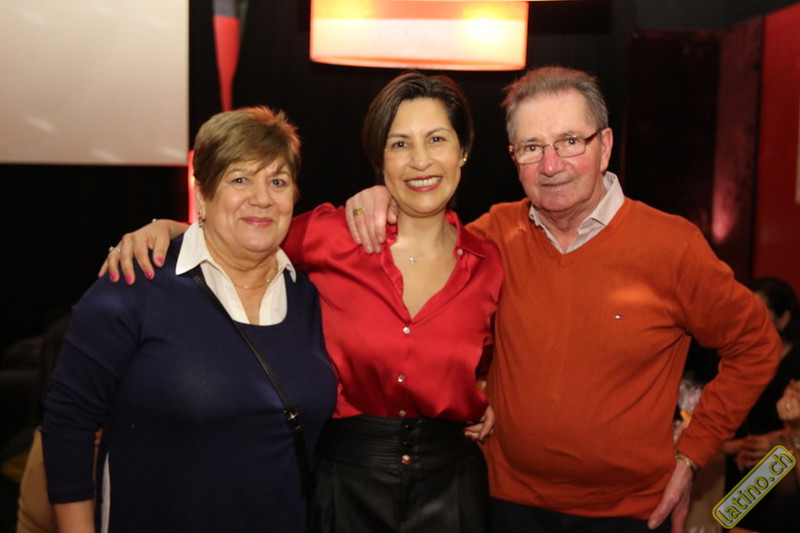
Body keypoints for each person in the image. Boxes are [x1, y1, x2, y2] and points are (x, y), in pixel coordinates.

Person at [341, 66, 782, 532]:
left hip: (628, 515)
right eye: (532, 148)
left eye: (570, 141)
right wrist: (381, 200)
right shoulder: (492, 237)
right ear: (514, 158)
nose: (550, 166)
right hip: (502, 502)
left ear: (604, 146)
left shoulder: (673, 248)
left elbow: (756, 346)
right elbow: (422, 287)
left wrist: (693, 453)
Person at [100, 72, 503, 532]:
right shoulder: (331, 235)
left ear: (463, 149)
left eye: (437, 139)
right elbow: (242, 230)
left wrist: (489, 396)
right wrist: (167, 228)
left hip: (451, 488)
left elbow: (498, 358)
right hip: (344, 486)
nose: (420, 160)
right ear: (380, 159)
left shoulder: (490, 263)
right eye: (399, 144)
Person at [41, 106, 338, 532]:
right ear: (202, 195)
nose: (262, 198)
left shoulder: (311, 295)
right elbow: (68, 421)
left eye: (278, 181)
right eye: (240, 180)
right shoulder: (136, 283)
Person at [721, 276, 800, 532]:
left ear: (784, 319)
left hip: (782, 459)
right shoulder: (744, 358)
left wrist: (776, 441)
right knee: (730, 514)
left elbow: (794, 425)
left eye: (759, 314)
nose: (749, 323)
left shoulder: (795, 363)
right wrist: (738, 445)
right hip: (753, 457)